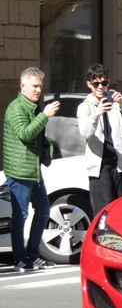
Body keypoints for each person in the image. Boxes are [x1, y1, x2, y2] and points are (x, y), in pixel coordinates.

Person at [3, 67, 60, 272]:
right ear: (22, 86)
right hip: (19, 171)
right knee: (20, 215)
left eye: (40, 87)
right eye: (34, 86)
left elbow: (37, 137)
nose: (38, 90)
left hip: (33, 170)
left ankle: (34, 254)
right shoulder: (16, 108)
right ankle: (20, 257)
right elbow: (25, 134)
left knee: (44, 210)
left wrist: (47, 149)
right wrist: (44, 115)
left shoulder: (34, 108)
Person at [77, 63, 122, 217]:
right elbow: (85, 133)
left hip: (119, 165)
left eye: (104, 83)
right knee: (102, 215)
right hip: (99, 168)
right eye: (96, 84)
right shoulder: (85, 107)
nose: (100, 87)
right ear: (89, 84)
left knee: (120, 212)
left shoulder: (116, 103)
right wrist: (96, 114)